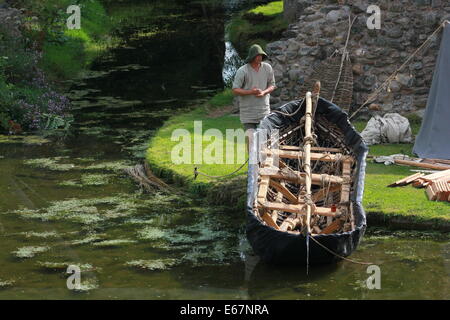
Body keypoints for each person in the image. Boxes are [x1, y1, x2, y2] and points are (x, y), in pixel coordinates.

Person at [232, 44, 276, 152]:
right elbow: (235, 89)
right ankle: (251, 167)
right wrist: (250, 92)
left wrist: (264, 92)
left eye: (261, 55)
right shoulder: (243, 71)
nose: (260, 57)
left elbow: (273, 85)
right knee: (251, 141)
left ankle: (263, 166)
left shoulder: (267, 68)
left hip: (264, 111)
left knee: (265, 140)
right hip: (248, 113)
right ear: (252, 56)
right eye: (257, 55)